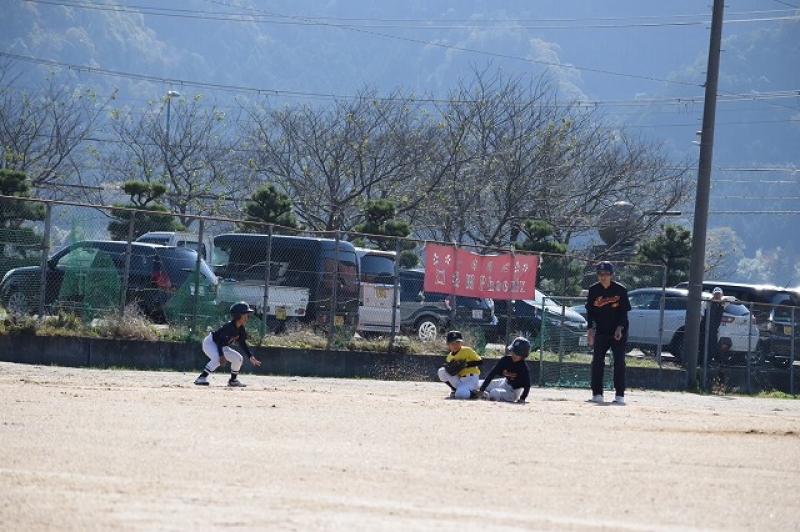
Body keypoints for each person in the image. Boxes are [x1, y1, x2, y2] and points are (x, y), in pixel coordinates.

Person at [585, 261, 631, 404]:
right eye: (600, 274)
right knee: (597, 362)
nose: (603, 276)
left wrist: (620, 328)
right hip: (602, 331)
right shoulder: (593, 290)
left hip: (618, 331)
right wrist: (590, 329)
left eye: (606, 274)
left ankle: (619, 395)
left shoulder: (620, 290)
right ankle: (597, 394)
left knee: (619, 362)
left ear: (612, 275)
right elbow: (590, 311)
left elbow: (624, 312)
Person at [194, 301, 262, 387]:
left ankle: (233, 380)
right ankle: (201, 378)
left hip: (221, 346)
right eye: (244, 314)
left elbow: (242, 343)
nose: (247, 317)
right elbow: (219, 342)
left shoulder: (241, 329)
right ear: (237, 315)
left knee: (238, 358)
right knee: (218, 358)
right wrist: (221, 356)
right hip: (210, 343)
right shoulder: (229, 327)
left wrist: (250, 356)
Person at [478, 336, 531, 403]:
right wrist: (482, 389)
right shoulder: (505, 360)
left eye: (517, 353)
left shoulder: (523, 368)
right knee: (478, 384)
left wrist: (522, 398)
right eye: (513, 351)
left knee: (494, 392)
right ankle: (484, 394)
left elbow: (527, 385)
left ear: (523, 355)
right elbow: (493, 373)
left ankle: (485, 395)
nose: (514, 354)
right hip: (504, 382)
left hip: (513, 391)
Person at [437, 330, 483, 399]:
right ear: (448, 344)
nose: (455, 345)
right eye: (452, 343)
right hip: (459, 379)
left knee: (461, 394)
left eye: (458, 342)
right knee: (442, 371)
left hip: (471, 379)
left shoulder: (467, 350)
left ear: (461, 342)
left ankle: (479, 394)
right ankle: (455, 390)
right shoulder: (449, 357)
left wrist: (466, 364)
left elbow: (480, 362)